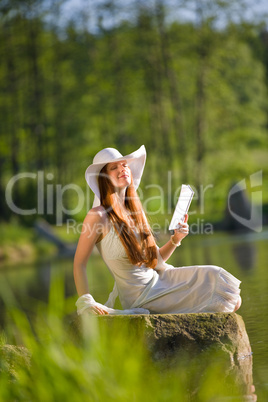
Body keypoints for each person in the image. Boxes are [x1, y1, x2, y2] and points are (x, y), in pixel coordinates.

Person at [73, 145, 241, 316]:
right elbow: (79, 263)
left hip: (159, 280)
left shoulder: (136, 213)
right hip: (142, 295)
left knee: (223, 285)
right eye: (113, 167)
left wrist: (176, 239)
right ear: (104, 178)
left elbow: (155, 262)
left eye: (124, 165)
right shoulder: (97, 216)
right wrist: (86, 301)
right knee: (227, 300)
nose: (122, 169)